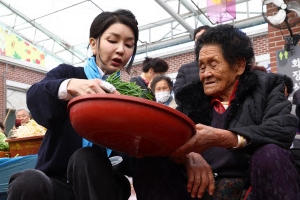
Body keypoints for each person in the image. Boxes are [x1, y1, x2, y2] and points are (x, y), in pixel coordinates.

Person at [133, 24, 300, 200]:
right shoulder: (190, 98)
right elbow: (169, 138)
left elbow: (282, 130)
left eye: (213, 65)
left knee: (270, 154)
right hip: (199, 188)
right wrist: (189, 155)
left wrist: (224, 137)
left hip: (252, 186)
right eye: (202, 67)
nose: (206, 74)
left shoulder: (266, 86)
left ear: (239, 66)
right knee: (150, 158)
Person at [7, 9, 139, 200]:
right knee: (28, 182)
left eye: (129, 45)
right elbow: (35, 96)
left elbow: (132, 159)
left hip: (103, 186)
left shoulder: (129, 95)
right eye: (112, 40)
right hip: (59, 185)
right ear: (93, 44)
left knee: (86, 158)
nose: (121, 49)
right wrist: (69, 87)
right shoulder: (69, 75)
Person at [173, 25, 211, 96]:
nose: (200, 42)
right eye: (197, 39)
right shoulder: (185, 69)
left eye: (203, 37)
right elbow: (178, 93)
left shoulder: (224, 63)